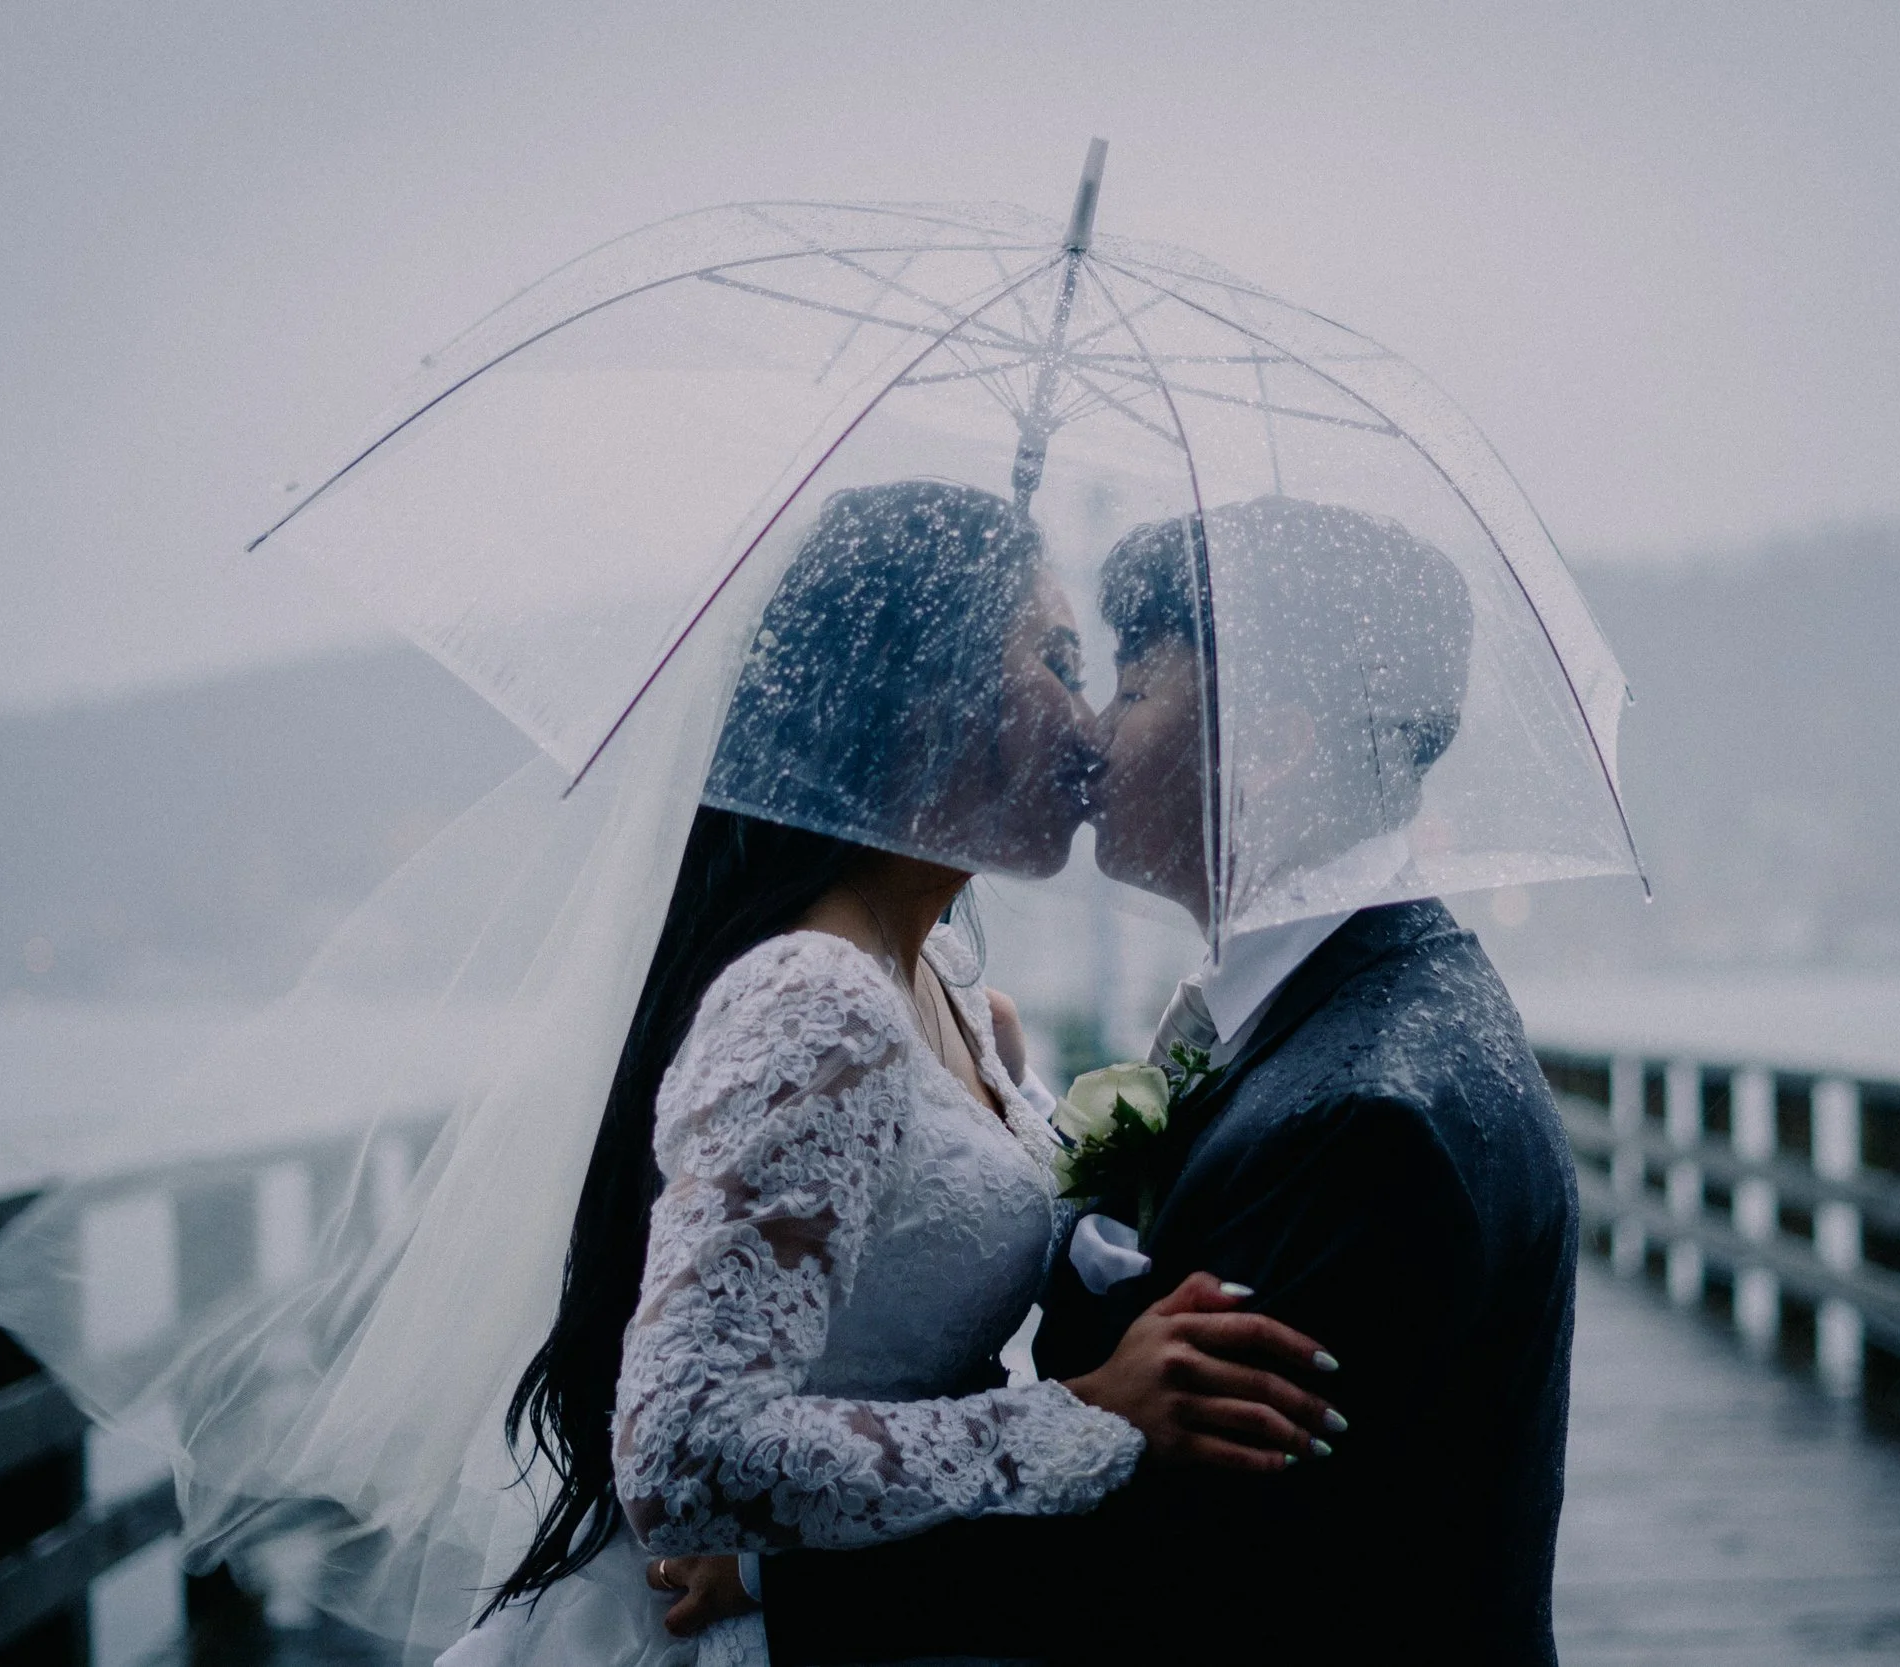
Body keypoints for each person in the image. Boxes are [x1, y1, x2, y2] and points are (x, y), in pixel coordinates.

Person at [444, 481, 1343, 1667]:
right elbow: (680, 1458)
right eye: (1057, 659)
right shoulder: (813, 1005)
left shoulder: (950, 983)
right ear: (921, 697)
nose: (1089, 726)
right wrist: (1082, 1414)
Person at [724, 497, 1581, 1666]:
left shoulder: (1365, 1118)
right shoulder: (1337, 1008)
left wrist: (771, 1573)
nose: (1090, 733)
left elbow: (1189, 1574)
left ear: (1268, 747)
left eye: (1130, 689)